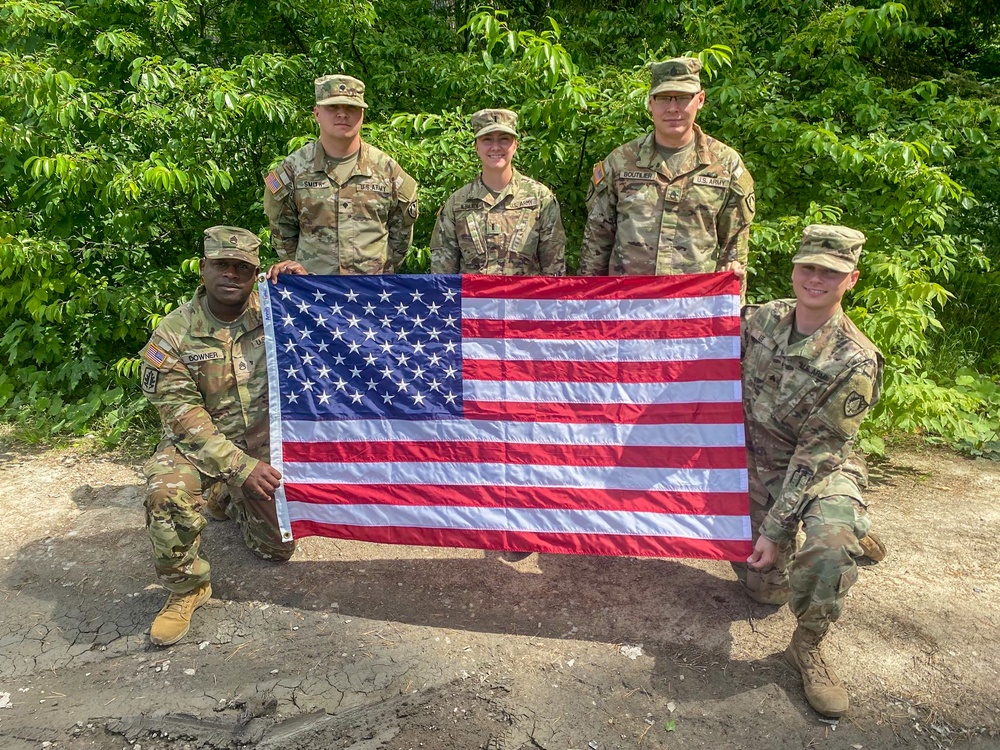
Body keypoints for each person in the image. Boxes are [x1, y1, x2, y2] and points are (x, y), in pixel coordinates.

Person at [737, 224, 883, 717]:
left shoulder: (853, 359)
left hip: (818, 471)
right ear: (795, 268)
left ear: (852, 279)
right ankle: (846, 535)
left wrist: (776, 530)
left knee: (827, 544)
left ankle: (809, 645)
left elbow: (816, 456)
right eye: (809, 267)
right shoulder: (762, 319)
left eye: (831, 272)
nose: (816, 279)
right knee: (764, 593)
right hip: (756, 464)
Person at [139, 226, 295, 646]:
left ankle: (226, 497)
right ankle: (186, 588)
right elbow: (182, 416)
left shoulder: (277, 310)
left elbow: (331, 330)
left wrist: (305, 283)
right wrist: (240, 467)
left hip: (266, 443)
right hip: (199, 444)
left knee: (276, 550)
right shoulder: (173, 334)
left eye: (242, 268)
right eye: (221, 265)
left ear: (254, 273)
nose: (231, 275)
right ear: (203, 267)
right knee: (166, 493)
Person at [578, 57, 754, 284]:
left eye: (682, 98)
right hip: (626, 307)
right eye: (663, 98)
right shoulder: (621, 162)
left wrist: (729, 314)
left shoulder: (725, 165)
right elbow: (596, 244)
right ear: (650, 102)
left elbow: (735, 255)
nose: (672, 108)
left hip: (692, 308)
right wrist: (587, 307)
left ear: (700, 99)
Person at [263, 74, 418, 279]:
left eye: (351, 108)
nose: (342, 114)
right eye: (333, 107)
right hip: (314, 291)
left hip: (371, 292)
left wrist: (379, 271)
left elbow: (401, 236)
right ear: (317, 113)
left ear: (362, 114)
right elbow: (282, 232)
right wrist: (303, 272)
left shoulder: (387, 170)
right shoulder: (293, 169)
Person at [430, 108, 565, 276]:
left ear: (515, 145)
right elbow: (442, 276)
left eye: (504, 139)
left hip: (525, 301)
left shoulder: (540, 199)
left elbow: (554, 272)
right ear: (476, 147)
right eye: (487, 140)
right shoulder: (457, 203)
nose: (495, 147)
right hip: (473, 302)